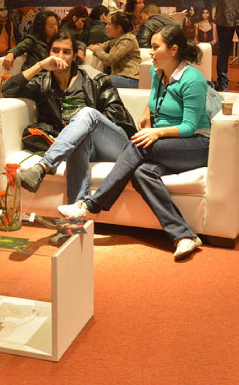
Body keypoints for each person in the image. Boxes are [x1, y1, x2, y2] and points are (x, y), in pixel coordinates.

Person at [59, 25, 210, 261]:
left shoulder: (193, 80)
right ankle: (184, 235)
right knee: (141, 173)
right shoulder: (157, 73)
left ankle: (91, 206)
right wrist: (147, 113)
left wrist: (157, 133)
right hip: (167, 144)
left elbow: (189, 126)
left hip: (195, 145)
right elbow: (156, 101)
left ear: (173, 50)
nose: (150, 52)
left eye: (156, 47)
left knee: (140, 144)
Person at [3, 31, 136, 204]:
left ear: (74, 57)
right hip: (82, 145)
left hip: (114, 143)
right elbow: (7, 90)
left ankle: (42, 167)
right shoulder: (43, 83)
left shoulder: (95, 80)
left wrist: (81, 125)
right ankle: (76, 211)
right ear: (48, 54)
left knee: (86, 114)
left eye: (66, 52)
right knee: (79, 140)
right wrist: (40, 65)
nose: (60, 56)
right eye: (55, 51)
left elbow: (116, 113)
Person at [87, 12, 141, 88]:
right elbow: (105, 45)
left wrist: (96, 49)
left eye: (109, 24)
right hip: (121, 77)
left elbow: (110, 59)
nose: (106, 26)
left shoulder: (128, 39)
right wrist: (98, 47)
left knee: (97, 80)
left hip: (131, 78)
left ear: (118, 28)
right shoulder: (117, 39)